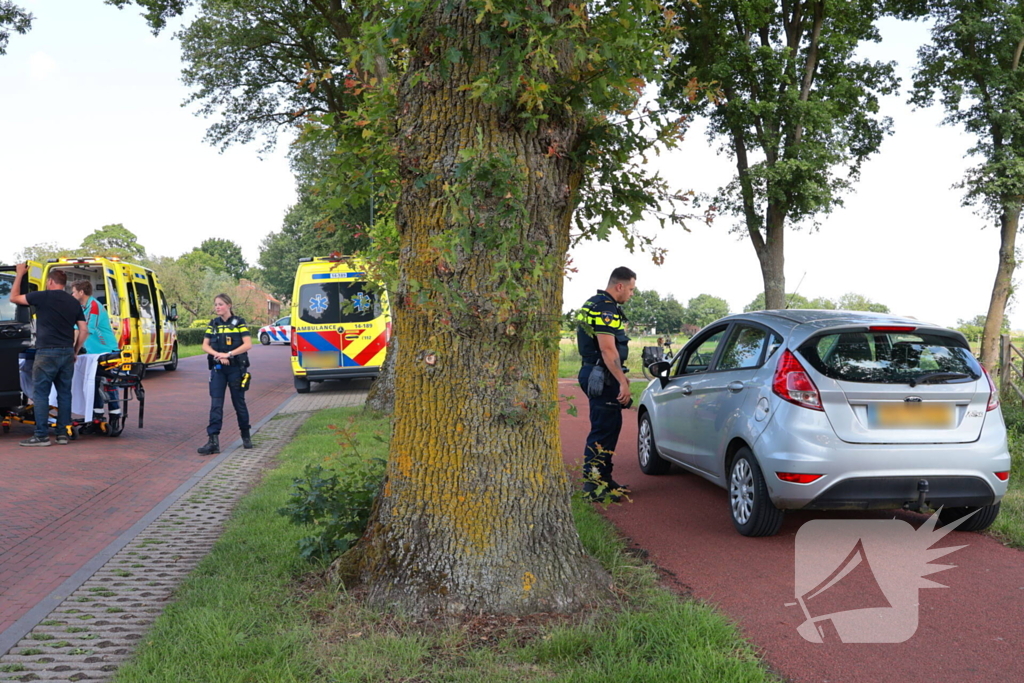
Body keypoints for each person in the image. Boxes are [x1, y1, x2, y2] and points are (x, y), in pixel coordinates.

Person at [10, 264, 88, 446]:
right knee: (64, 394)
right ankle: (62, 434)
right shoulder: (73, 302)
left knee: (41, 394)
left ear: (51, 281)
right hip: (67, 352)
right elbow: (84, 330)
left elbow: (13, 297)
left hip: (46, 352)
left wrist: (20, 274)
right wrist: (75, 350)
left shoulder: (41, 296)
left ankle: (41, 435)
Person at [576, 266, 636, 500]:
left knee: (609, 428)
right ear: (619, 286)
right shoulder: (606, 309)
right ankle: (593, 487)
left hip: (594, 370)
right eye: (630, 289)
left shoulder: (592, 302)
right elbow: (608, 349)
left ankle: (604, 480)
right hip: (601, 374)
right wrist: (622, 381)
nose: (631, 294)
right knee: (603, 430)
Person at [197, 293, 253, 455]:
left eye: (220, 304)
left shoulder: (239, 323)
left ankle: (246, 436)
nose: (217, 307)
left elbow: (248, 344)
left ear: (229, 305)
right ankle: (213, 441)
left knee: (239, 403)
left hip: (236, 369)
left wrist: (228, 354)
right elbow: (205, 346)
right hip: (218, 370)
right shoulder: (213, 323)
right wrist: (218, 355)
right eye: (215, 305)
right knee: (216, 405)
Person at [70, 280, 121, 429]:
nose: (72, 294)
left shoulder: (94, 306)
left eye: (73, 291)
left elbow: (87, 329)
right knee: (94, 384)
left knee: (109, 384)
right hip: (93, 353)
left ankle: (114, 418)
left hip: (107, 351)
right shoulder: (81, 307)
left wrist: (75, 350)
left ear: (81, 292)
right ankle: (97, 417)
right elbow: (76, 330)